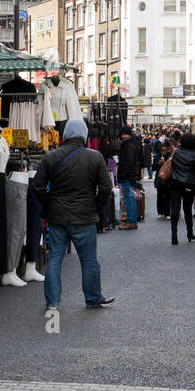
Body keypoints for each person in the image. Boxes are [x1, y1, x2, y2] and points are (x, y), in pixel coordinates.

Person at [32, 117, 116, 315]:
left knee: (54, 258)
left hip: (58, 216)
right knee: (88, 260)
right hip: (85, 216)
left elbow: (37, 186)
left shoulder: (51, 157)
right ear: (84, 135)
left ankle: (52, 302)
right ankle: (93, 298)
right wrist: (94, 205)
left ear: (66, 134)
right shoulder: (94, 157)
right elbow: (106, 188)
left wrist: (49, 203)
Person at [168, 133, 195, 245]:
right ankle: (190, 233)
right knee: (187, 209)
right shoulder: (194, 155)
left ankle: (174, 235)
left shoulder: (175, 152)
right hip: (188, 185)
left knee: (175, 209)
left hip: (175, 184)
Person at [116, 126, 142, 230]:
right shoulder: (131, 144)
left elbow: (129, 162)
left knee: (129, 198)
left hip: (128, 175)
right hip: (131, 174)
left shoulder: (129, 146)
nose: (123, 136)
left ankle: (130, 221)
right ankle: (133, 221)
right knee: (130, 197)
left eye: (124, 134)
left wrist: (123, 174)